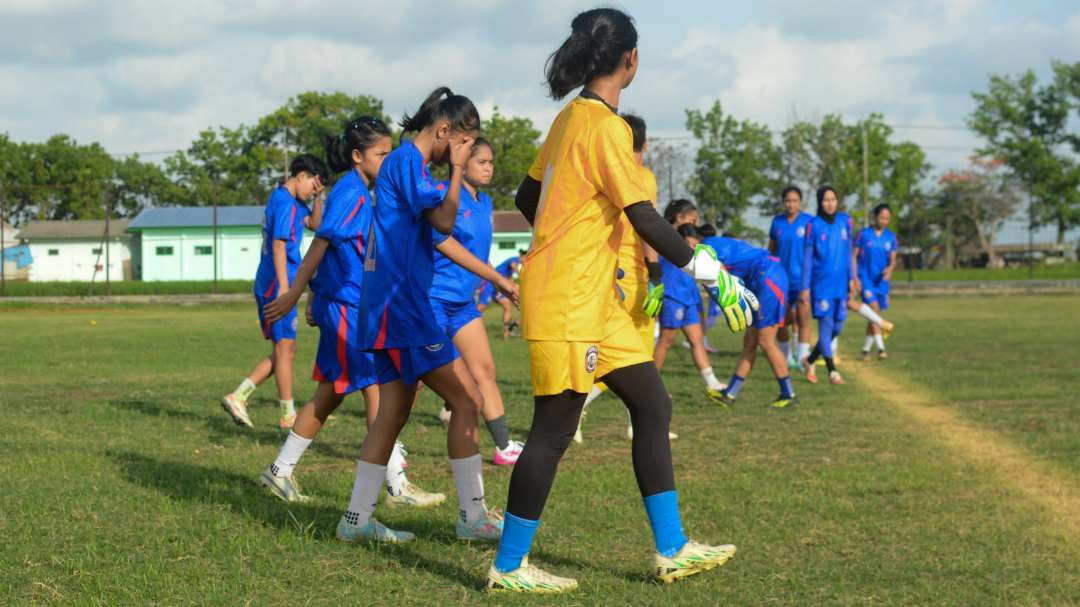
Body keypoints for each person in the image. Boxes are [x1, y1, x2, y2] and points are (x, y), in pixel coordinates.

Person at [487, 8, 754, 593]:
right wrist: (711, 271)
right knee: (554, 431)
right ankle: (508, 568)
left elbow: (527, 195)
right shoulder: (603, 127)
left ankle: (673, 549)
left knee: (653, 406)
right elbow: (644, 217)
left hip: (596, 302)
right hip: (567, 300)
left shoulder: (569, 118)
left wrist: (570, 238)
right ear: (630, 61)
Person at [335, 87, 505, 545]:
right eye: (465, 141)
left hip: (389, 311)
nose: (468, 150)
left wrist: (496, 277)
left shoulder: (408, 169)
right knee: (467, 401)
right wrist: (454, 170)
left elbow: (439, 235)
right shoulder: (409, 164)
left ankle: (356, 520)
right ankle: (473, 519)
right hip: (403, 311)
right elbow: (447, 222)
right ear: (445, 131)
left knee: (391, 414)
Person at [259, 117, 444, 508]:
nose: (389, 159)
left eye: (391, 152)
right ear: (358, 156)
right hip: (348, 307)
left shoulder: (362, 190)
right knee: (378, 390)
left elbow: (338, 250)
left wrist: (313, 294)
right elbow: (322, 242)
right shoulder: (352, 192)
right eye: (381, 153)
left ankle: (279, 472)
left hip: (344, 303)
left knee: (330, 395)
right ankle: (395, 485)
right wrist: (296, 293)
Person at [574, 112, 674, 444]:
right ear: (644, 144)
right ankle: (581, 411)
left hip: (607, 274)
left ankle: (637, 423)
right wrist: (657, 274)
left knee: (625, 356)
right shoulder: (642, 176)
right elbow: (648, 229)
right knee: (635, 357)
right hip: (634, 278)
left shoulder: (603, 170)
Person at [428, 138, 525, 465]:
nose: (489, 167)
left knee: (485, 370)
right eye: (481, 161)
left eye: (490, 162)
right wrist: (499, 279)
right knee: (411, 382)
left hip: (462, 303)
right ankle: (388, 447)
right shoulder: (442, 194)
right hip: (432, 300)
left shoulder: (484, 203)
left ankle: (503, 447)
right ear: (462, 163)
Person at [221, 154, 327, 429]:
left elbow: (316, 225)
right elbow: (279, 245)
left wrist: (317, 197)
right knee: (285, 348)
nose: (313, 191)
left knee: (286, 350)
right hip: (276, 285)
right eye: (312, 186)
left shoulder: (294, 203)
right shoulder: (284, 203)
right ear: (301, 175)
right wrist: (283, 288)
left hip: (281, 283)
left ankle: (240, 396)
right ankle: (286, 415)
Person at [696, 227, 797, 409]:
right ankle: (730, 394)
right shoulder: (717, 243)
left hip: (768, 279)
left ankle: (788, 393)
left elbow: (720, 276)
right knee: (750, 341)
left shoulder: (704, 248)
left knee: (766, 341)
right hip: (764, 278)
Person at [653, 207, 727, 405]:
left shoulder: (693, 245)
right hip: (673, 297)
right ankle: (652, 389)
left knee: (697, 340)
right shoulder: (669, 241)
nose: (695, 224)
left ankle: (712, 383)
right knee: (665, 342)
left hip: (689, 297)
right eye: (692, 220)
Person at [800, 186, 856, 385]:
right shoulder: (812, 225)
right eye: (825, 200)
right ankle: (832, 371)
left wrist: (852, 278)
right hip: (821, 286)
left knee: (838, 327)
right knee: (826, 327)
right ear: (819, 202)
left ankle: (810, 359)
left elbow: (849, 252)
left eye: (833, 199)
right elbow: (807, 259)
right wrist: (805, 287)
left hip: (841, 285)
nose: (830, 203)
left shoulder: (845, 221)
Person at [768, 186, 814, 370]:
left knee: (803, 318)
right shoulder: (777, 222)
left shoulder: (809, 222)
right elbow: (771, 250)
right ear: (783, 202)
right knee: (782, 321)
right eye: (788, 200)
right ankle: (786, 358)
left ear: (800, 202)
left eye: (794, 201)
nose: (791, 204)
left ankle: (803, 359)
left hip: (803, 280)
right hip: (781, 280)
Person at [855, 203, 898, 360]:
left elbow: (893, 260)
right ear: (875, 217)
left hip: (881, 281)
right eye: (882, 217)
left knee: (875, 314)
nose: (884, 221)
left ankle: (866, 350)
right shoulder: (864, 235)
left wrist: (890, 269)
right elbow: (853, 256)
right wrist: (855, 278)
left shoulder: (891, 237)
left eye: (887, 218)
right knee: (873, 309)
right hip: (865, 278)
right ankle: (881, 348)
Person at [477, 255, 523, 337]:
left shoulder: (510, 270)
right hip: (489, 284)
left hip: (497, 285)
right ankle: (466, 327)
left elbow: (508, 279)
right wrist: (521, 275)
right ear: (523, 256)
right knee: (481, 308)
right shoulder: (514, 259)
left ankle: (506, 333)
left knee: (507, 306)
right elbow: (513, 265)